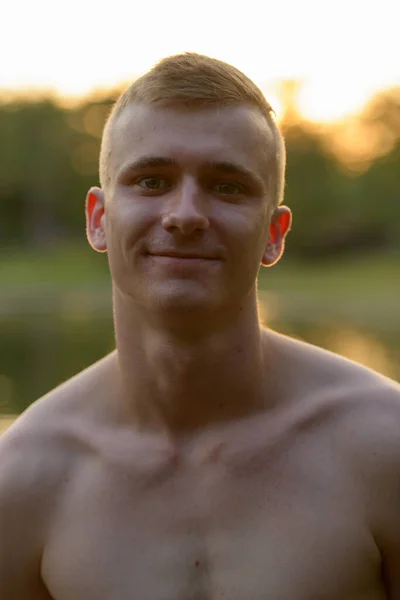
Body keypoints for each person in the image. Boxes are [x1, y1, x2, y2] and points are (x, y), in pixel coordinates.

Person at [0, 52, 399, 600]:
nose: (184, 214)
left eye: (227, 186)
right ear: (98, 219)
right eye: (151, 180)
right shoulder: (24, 479)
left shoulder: (383, 447)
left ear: (274, 234)